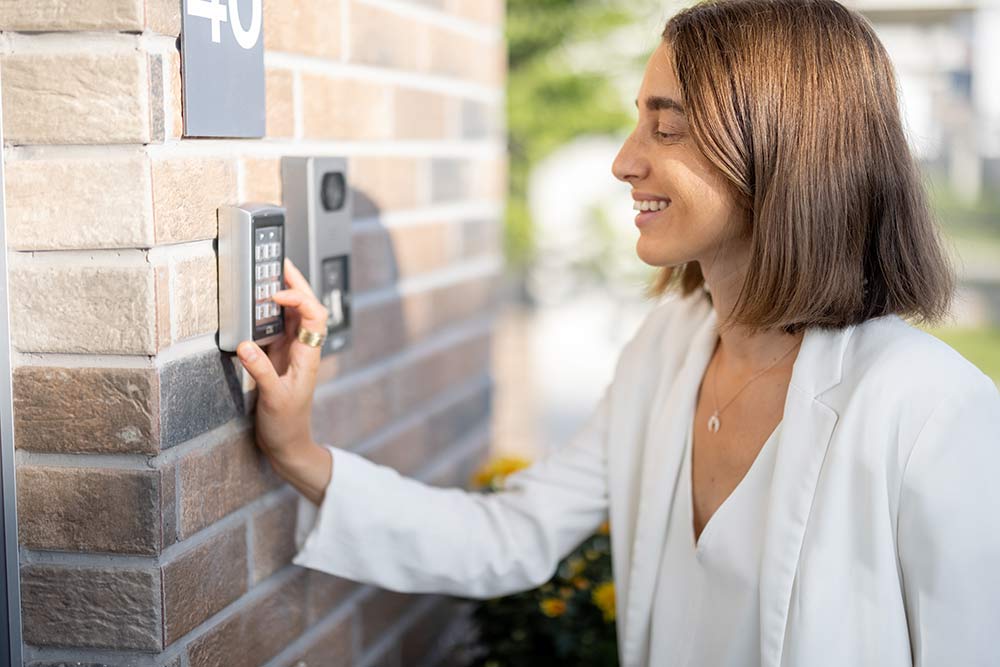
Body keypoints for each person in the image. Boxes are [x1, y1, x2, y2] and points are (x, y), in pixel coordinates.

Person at [235, 1, 1000, 665]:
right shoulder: (667, 349)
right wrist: (299, 450)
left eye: (665, 129)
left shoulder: (933, 412)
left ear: (780, 152)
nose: (624, 161)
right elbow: (515, 533)